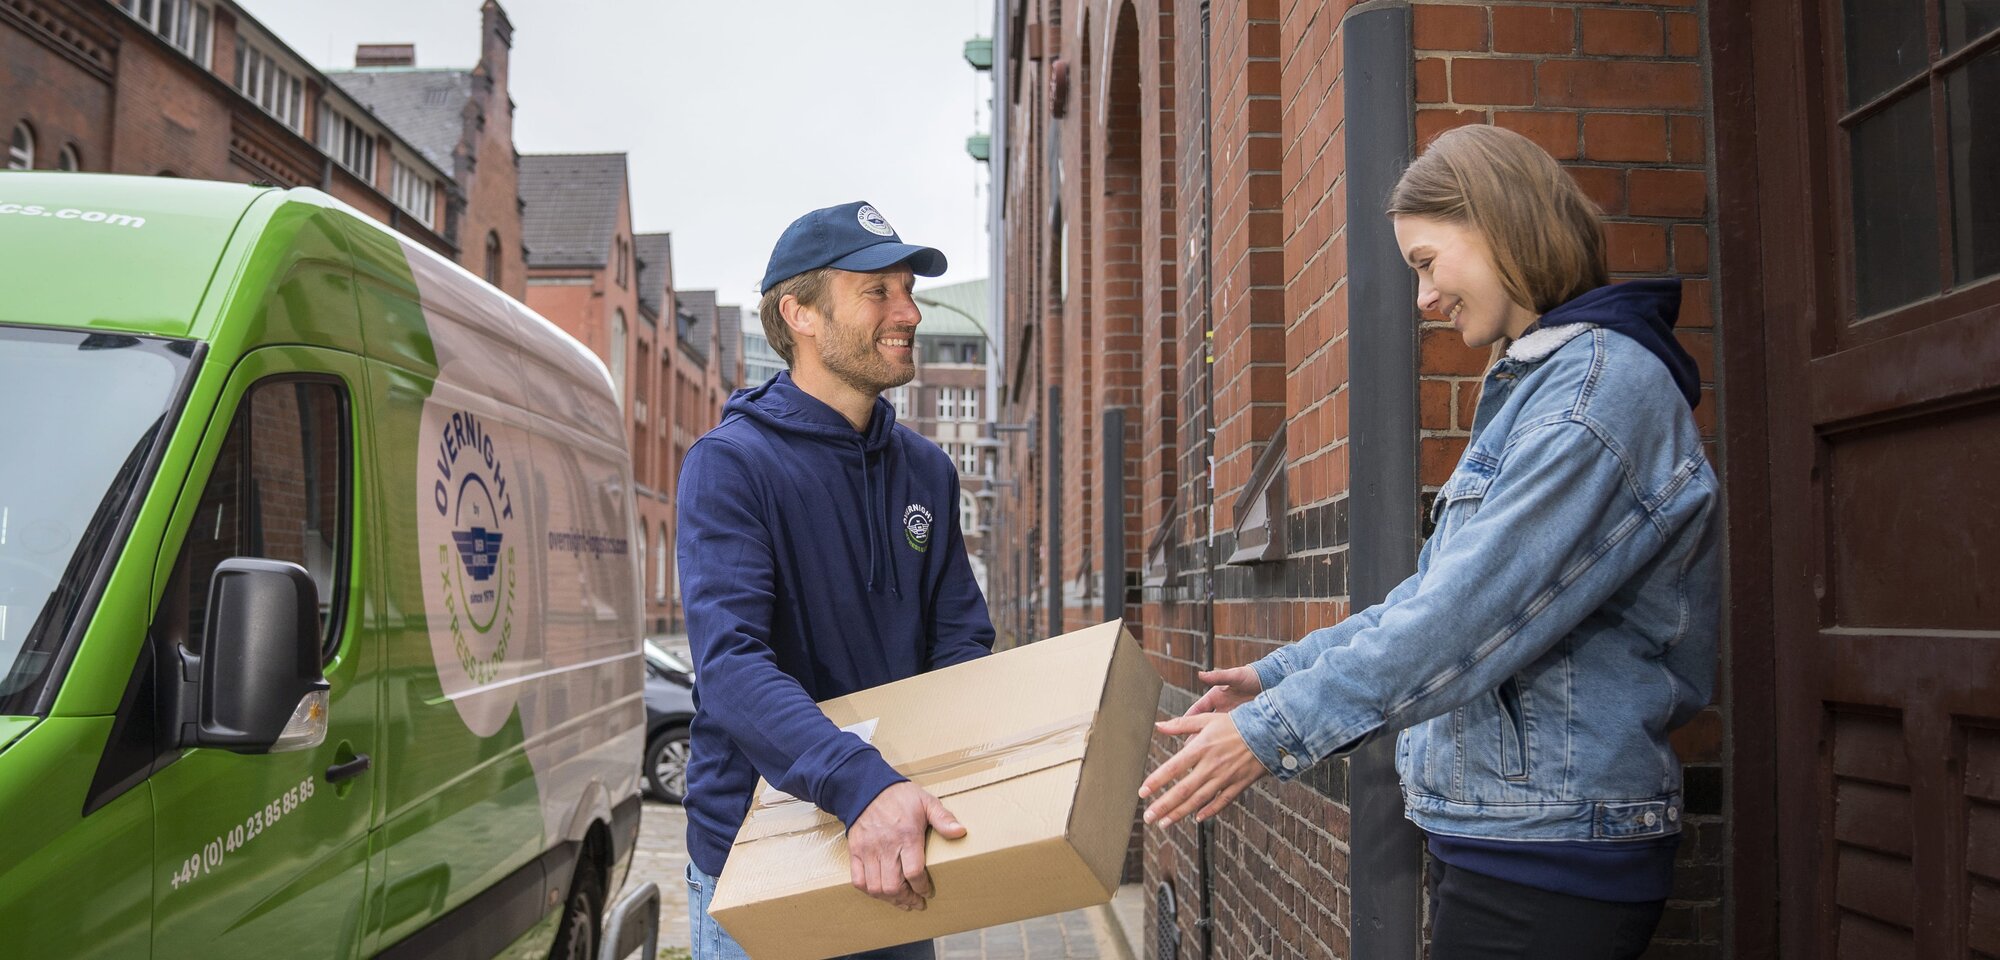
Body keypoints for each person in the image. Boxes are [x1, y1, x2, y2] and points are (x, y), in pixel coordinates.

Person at [1138, 125, 1720, 959]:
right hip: (1508, 836)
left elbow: (1463, 617)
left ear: (1498, 224)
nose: (1423, 298)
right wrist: (1277, 675)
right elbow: (1434, 595)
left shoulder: (1595, 396)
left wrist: (1272, 731)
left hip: (1552, 854)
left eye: (1425, 261)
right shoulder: (1544, 384)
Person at [677, 201, 995, 960]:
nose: (908, 312)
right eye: (877, 292)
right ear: (801, 315)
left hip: (892, 849)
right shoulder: (731, 465)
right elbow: (732, 667)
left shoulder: (926, 471)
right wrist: (863, 785)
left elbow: (961, 642)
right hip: (765, 860)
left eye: (907, 291)